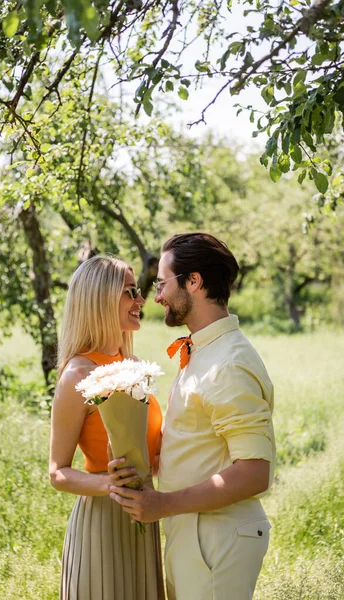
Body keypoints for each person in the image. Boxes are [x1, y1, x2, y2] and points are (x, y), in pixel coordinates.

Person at [110, 233, 276, 600]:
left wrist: (164, 503)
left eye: (162, 283)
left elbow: (254, 472)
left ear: (194, 281)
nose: (156, 297)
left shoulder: (229, 362)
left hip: (217, 539)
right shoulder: (204, 350)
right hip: (195, 533)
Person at [49, 255, 165, 600]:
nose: (141, 301)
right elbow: (58, 473)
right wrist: (108, 484)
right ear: (102, 299)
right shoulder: (77, 375)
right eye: (131, 292)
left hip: (147, 512)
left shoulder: (132, 366)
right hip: (102, 522)